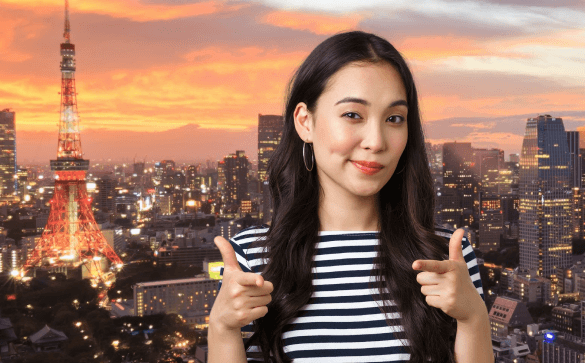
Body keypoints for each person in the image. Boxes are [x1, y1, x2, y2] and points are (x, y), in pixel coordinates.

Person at [208, 31, 493, 363]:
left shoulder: (446, 257)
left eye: (394, 119)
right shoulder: (252, 257)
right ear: (305, 122)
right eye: (353, 115)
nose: (376, 141)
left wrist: (474, 318)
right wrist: (221, 328)